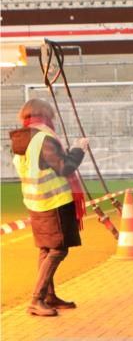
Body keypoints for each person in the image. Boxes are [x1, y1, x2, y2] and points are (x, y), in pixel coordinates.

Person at [9, 99, 87, 316]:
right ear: (45, 114)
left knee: (46, 249)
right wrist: (79, 150)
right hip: (54, 201)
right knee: (58, 249)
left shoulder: (22, 138)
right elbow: (65, 167)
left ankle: (48, 296)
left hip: (35, 201)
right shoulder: (43, 137)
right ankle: (36, 299)